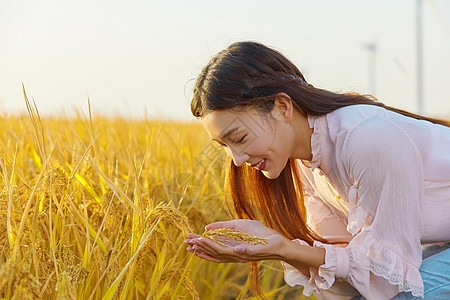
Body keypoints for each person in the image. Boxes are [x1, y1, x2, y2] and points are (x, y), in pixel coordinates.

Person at [183, 41, 450, 300]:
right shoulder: (306, 167)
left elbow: (386, 282)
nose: (237, 160)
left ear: (282, 107)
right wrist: (279, 247)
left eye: (239, 138)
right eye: (224, 146)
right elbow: (348, 283)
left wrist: (285, 248)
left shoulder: (364, 139)